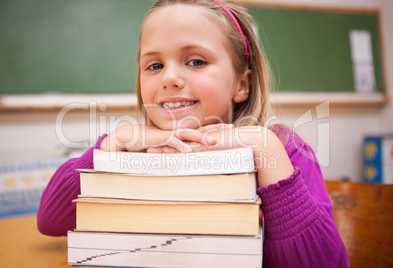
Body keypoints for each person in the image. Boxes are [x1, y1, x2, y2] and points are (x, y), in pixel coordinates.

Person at [37, 0, 349, 267]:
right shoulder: (130, 149)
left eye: (196, 61)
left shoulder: (284, 149)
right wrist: (112, 143)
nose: (169, 78)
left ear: (242, 84)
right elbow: (49, 221)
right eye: (155, 65)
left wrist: (265, 148)